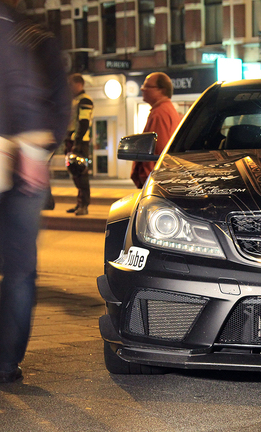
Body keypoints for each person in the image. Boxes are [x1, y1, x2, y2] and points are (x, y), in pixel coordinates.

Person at [0, 0, 71, 383]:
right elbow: (60, 105)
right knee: (19, 268)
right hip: (29, 159)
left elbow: (16, 79)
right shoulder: (40, 37)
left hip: (15, 152)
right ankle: (6, 362)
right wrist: (40, 150)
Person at [131, 72, 181, 188]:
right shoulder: (165, 110)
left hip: (156, 182)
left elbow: (157, 152)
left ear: (161, 90)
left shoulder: (160, 113)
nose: (142, 89)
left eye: (147, 86)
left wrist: (150, 180)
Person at [65, 73, 94, 216]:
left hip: (80, 142)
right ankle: (79, 204)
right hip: (73, 141)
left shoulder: (85, 101)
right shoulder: (76, 100)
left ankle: (84, 205)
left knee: (81, 173)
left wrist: (76, 143)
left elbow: (83, 123)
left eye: (71, 85)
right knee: (75, 173)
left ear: (78, 84)